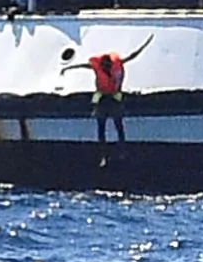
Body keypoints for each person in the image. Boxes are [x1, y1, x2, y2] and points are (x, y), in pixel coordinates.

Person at [61, 35, 155, 167]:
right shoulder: (96, 66)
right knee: (101, 127)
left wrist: (145, 45)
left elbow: (132, 56)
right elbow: (82, 65)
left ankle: (122, 150)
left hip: (115, 96)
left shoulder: (117, 63)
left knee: (119, 125)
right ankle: (103, 155)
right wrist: (67, 68)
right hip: (101, 96)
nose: (108, 67)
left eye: (109, 65)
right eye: (105, 65)